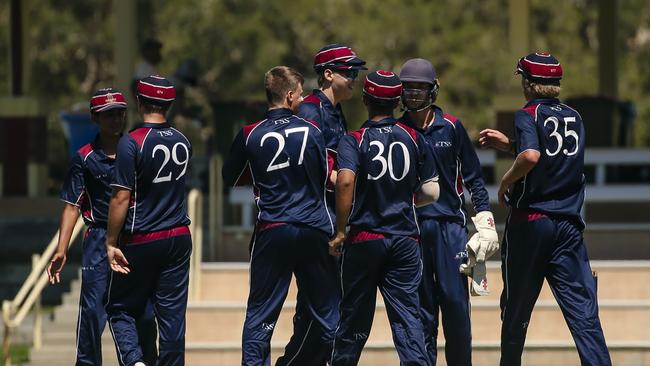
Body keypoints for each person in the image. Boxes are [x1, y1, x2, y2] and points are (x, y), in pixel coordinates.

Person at [479, 52, 612, 366]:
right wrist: (511, 145)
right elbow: (552, 153)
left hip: (532, 221)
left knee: (516, 310)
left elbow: (533, 157)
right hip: (568, 224)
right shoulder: (575, 116)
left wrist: (505, 182)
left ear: (528, 83)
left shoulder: (528, 113)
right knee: (583, 312)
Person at [222, 66, 339, 366]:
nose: (303, 100)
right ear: (289, 95)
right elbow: (327, 176)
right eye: (300, 94)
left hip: (272, 230)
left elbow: (230, 177)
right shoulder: (312, 131)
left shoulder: (250, 134)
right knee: (329, 315)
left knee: (261, 317)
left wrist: (264, 176)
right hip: (313, 230)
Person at [329, 70, 440, 366]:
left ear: (365, 100)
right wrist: (404, 199)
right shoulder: (414, 137)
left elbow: (345, 182)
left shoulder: (354, 139)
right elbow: (431, 191)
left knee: (353, 317)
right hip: (404, 239)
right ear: (398, 102)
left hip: (365, 237)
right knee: (408, 317)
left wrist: (341, 230)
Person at [397, 58, 499, 365]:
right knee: (421, 311)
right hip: (411, 230)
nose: (414, 94)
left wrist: (485, 220)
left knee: (455, 307)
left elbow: (474, 178)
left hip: (449, 229)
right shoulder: (398, 129)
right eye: (409, 88)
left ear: (433, 91)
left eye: (421, 88)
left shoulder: (451, 127)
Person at [48, 88, 157, 366]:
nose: (116, 119)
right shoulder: (84, 158)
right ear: (95, 118)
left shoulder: (136, 150)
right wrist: (61, 250)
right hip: (98, 239)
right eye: (109, 115)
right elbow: (72, 205)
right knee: (93, 312)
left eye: (120, 113)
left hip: (134, 238)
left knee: (142, 311)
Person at [277, 43, 366, 366]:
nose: (355, 79)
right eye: (349, 72)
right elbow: (316, 170)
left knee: (323, 307)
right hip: (316, 220)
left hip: (330, 216)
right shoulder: (312, 110)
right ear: (328, 75)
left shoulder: (333, 110)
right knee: (320, 309)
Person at [105, 75, 193, 366]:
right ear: (169, 103)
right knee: (172, 317)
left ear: (139, 102)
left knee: (119, 307)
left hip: (142, 237)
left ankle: (134, 360)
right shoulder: (183, 140)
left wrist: (110, 241)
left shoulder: (131, 142)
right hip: (179, 236)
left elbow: (120, 197)